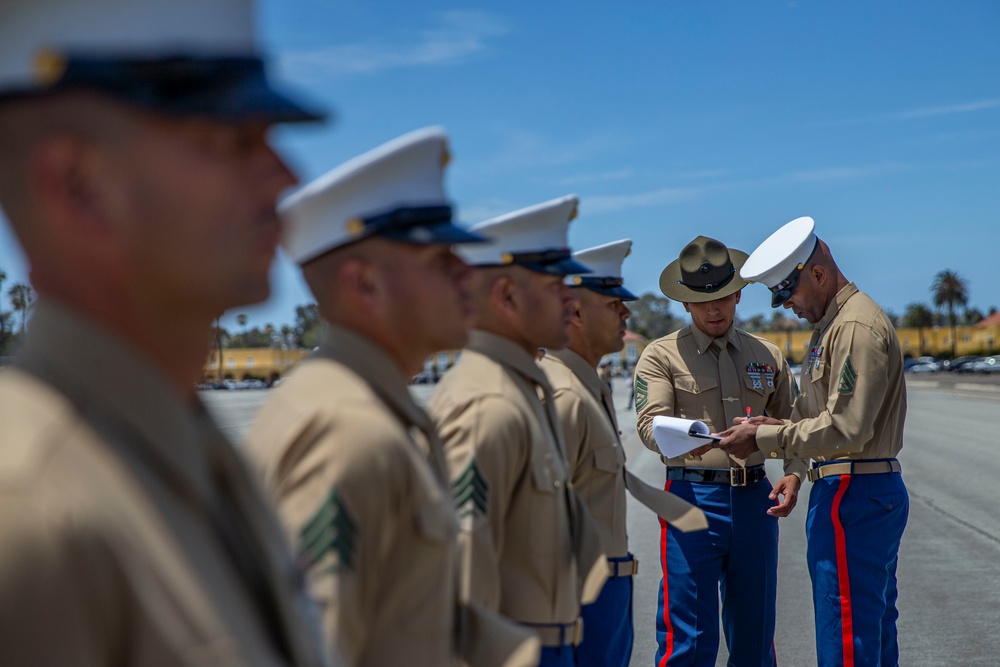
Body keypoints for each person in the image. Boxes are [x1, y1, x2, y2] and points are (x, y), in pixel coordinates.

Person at [0, 1, 331, 664]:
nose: (288, 176)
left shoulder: (193, 449)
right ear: (79, 188)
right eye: (234, 139)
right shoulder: (29, 511)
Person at [243, 128, 539, 667]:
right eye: (440, 260)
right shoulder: (346, 431)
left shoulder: (364, 408)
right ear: (364, 285)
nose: (466, 274)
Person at [719, 216, 908, 667]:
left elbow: (847, 427)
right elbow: (812, 411)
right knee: (869, 631)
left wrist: (764, 437)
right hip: (851, 489)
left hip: (852, 493)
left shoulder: (855, 328)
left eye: (788, 294)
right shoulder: (831, 326)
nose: (787, 307)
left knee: (846, 637)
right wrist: (795, 470)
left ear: (818, 274)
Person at [428, 195, 608, 667]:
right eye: (556, 285)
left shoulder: (523, 391)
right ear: (506, 296)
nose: (573, 299)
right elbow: (465, 587)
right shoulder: (487, 404)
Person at [633, 236, 807, 666]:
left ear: (738, 293)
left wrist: (795, 471)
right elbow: (649, 424)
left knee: (755, 636)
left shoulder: (766, 355)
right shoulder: (660, 356)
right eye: (702, 301)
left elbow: (798, 424)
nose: (715, 310)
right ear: (686, 304)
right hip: (690, 500)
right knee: (688, 638)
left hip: (754, 501)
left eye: (724, 298)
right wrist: (693, 437)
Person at [538, 239, 706, 667]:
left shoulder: (588, 386)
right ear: (574, 312)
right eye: (614, 304)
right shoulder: (560, 395)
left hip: (604, 595)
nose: (627, 314)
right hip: (577, 598)